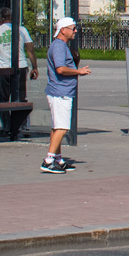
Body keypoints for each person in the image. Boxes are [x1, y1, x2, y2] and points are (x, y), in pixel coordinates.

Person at [43, 18, 89, 173]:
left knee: (57, 127)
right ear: (63, 29)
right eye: (73, 28)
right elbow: (60, 69)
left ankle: (57, 159)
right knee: (62, 127)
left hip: (61, 91)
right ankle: (48, 160)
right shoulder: (59, 46)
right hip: (60, 92)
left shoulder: (60, 46)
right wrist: (79, 71)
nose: (75, 31)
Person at [0, 7, 38, 137]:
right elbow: (30, 49)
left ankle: (7, 126)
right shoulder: (21, 30)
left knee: (4, 98)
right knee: (21, 97)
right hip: (20, 66)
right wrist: (34, 67)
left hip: (2, 68)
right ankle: (23, 125)